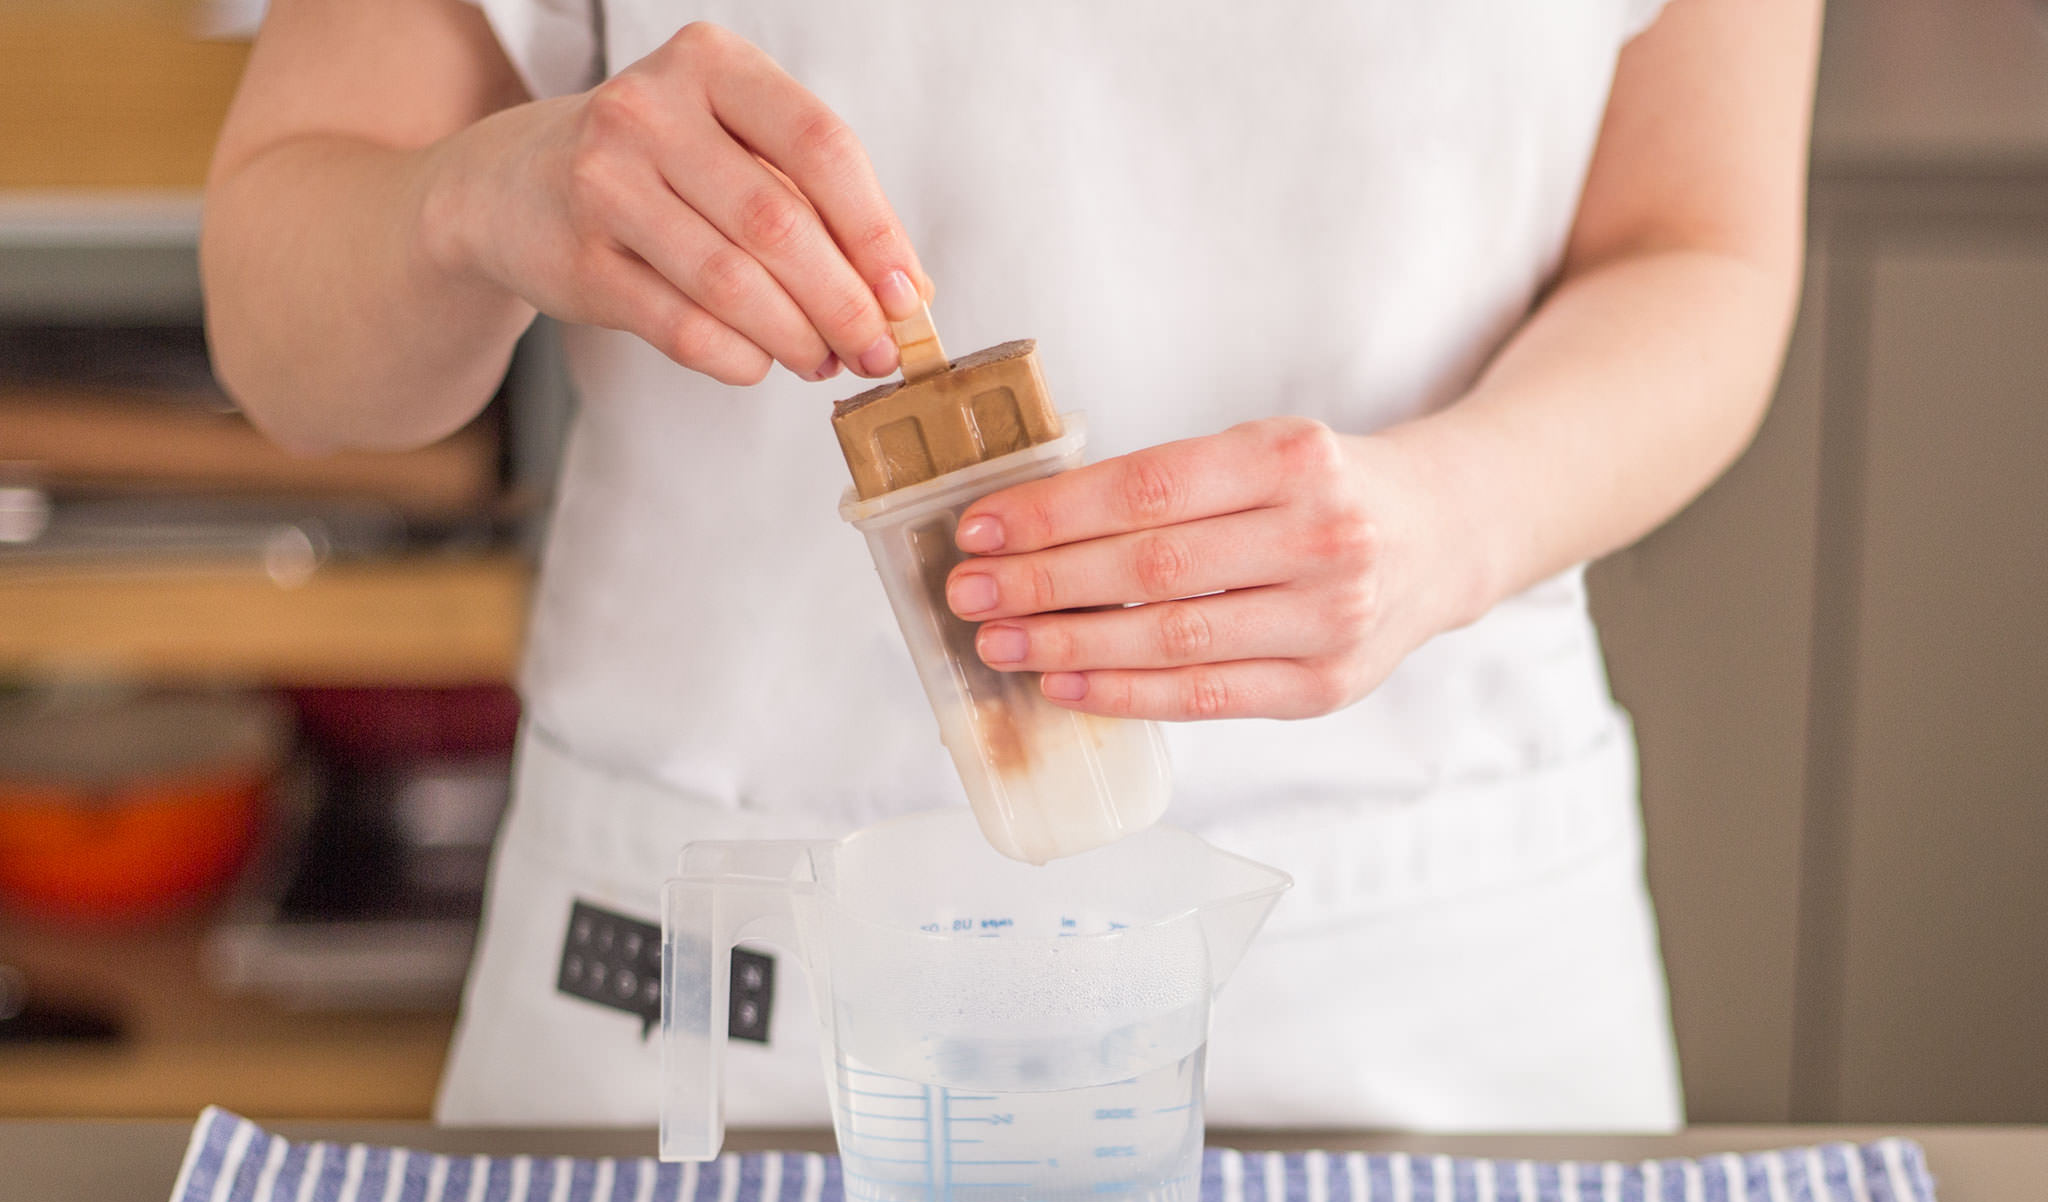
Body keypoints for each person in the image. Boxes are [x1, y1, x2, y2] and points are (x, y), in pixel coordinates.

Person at [202, 0, 1822, 1131]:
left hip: (1425, 975)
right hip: (729, 985)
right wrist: (470, 198)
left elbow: (1701, 248)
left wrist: (1453, 516)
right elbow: (287, 338)